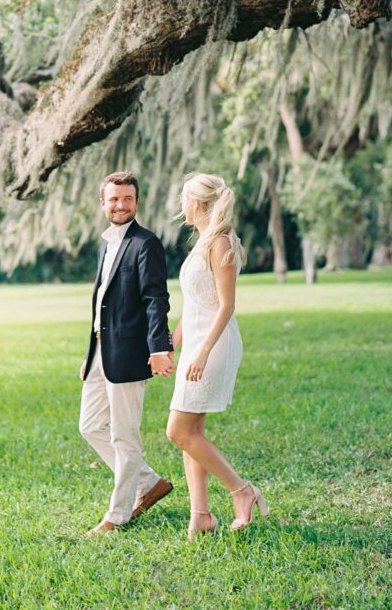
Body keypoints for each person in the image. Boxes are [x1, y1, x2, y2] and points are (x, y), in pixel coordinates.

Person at [166, 173, 269, 539]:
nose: (181, 205)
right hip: (195, 342)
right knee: (191, 431)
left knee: (178, 431)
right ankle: (202, 516)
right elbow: (193, 304)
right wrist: (171, 344)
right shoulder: (203, 242)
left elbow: (226, 307)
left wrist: (202, 353)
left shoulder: (221, 242)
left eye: (184, 198)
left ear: (196, 202)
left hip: (214, 344)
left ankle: (242, 491)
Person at [79, 171, 175, 534]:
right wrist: (89, 353)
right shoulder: (105, 244)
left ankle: (117, 516)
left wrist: (159, 347)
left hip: (131, 352)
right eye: (114, 199)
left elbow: (155, 299)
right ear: (103, 202)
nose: (121, 205)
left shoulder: (146, 243)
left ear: (136, 202)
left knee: (124, 435)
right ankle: (148, 482)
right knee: (89, 426)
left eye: (127, 199)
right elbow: (103, 302)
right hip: (100, 353)